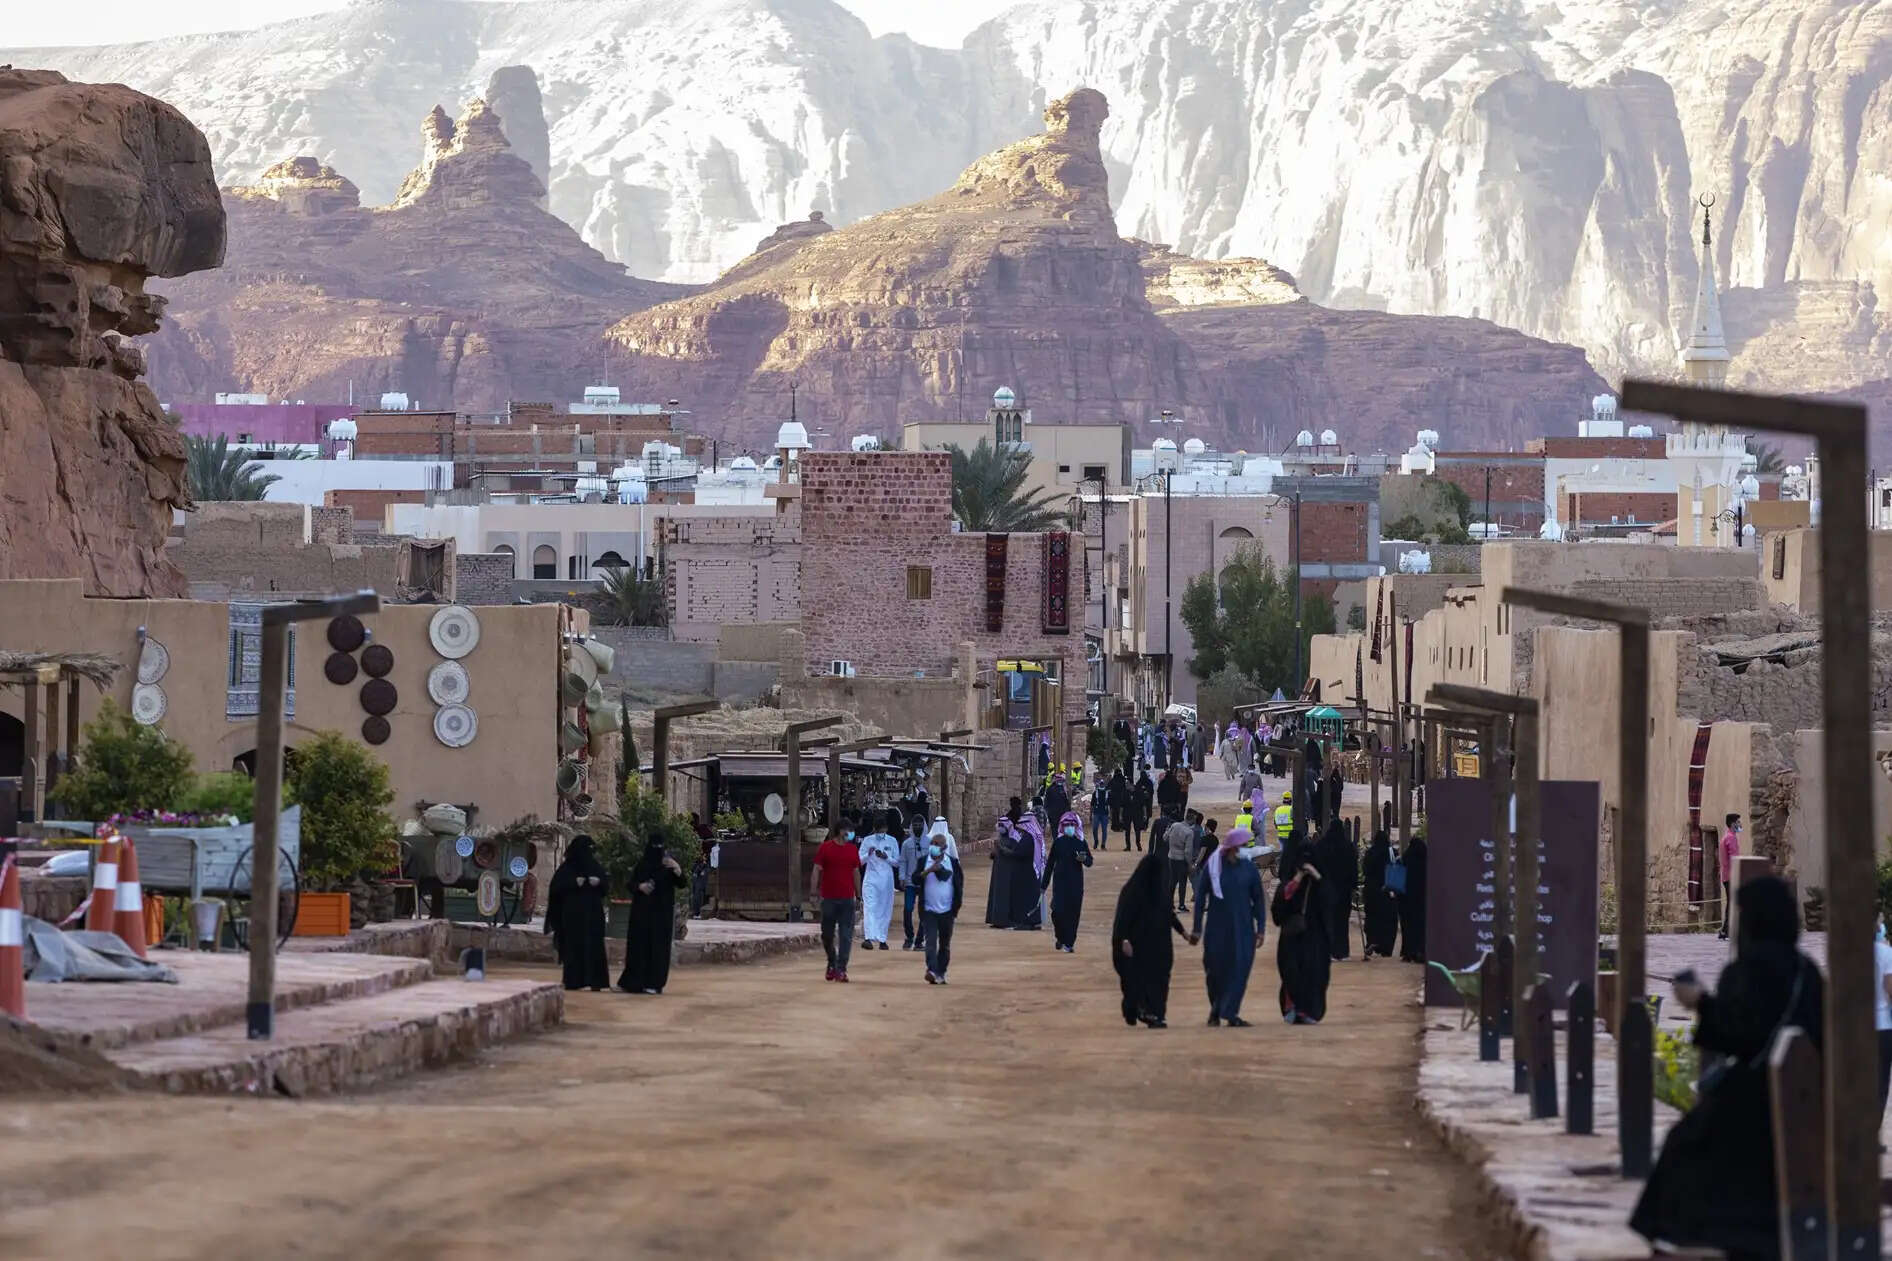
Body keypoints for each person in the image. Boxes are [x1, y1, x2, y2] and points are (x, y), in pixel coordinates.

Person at [1630, 876, 1824, 1257]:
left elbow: (1732, 1032)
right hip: (1802, 1100)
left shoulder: (1746, 970)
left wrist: (1700, 1002)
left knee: (1684, 1146)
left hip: (1748, 1099)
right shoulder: (1808, 972)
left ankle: (1676, 1237)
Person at [1111, 849, 1194, 1028]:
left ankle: (1157, 1013)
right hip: (1140, 945)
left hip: (1161, 945)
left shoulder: (1160, 892)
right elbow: (1123, 918)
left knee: (1161, 979)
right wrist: (1124, 940)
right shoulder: (1132, 892)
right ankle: (1146, 1011)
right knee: (1142, 980)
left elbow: (1169, 914)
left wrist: (1183, 933)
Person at [1195, 824, 1265, 1026]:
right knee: (1215, 971)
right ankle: (1216, 1008)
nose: (1242, 850)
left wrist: (1260, 929)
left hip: (1243, 929)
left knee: (1239, 970)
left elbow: (1259, 900)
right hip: (1217, 929)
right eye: (1240, 846)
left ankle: (1230, 1012)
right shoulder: (1213, 867)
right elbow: (1200, 898)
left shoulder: (1249, 869)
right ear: (1232, 848)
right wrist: (1197, 927)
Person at [1273, 840, 1331, 1023]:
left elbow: (1330, 902)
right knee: (1291, 973)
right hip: (1291, 937)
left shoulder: (1318, 884)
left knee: (1314, 973)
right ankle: (1292, 1008)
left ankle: (1308, 1011)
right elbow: (1279, 909)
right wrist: (1297, 879)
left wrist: (1316, 875)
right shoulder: (1288, 884)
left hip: (1314, 937)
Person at [617, 839, 684, 995]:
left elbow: (681, 883)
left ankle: (654, 984)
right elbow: (631, 884)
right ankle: (634, 983)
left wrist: (677, 869)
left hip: (661, 917)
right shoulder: (642, 865)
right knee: (638, 949)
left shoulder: (669, 867)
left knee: (658, 950)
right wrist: (640, 886)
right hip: (641, 916)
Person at [543, 834, 609, 991]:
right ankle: (574, 981)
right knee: (574, 947)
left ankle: (595, 981)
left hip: (593, 916)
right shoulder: (567, 869)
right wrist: (573, 883)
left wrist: (599, 882)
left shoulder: (595, 867)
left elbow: (606, 887)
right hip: (572, 917)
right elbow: (555, 889)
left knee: (594, 947)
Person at [810, 825, 863, 982]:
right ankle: (832, 961)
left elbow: (856, 873)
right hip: (829, 899)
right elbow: (816, 870)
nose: (851, 834)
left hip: (847, 899)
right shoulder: (825, 848)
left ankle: (841, 968)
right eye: (848, 830)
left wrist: (859, 896)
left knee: (846, 936)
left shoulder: (852, 850)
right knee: (827, 934)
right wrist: (813, 892)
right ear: (841, 831)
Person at [1041, 810, 1094, 952]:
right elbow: (1050, 864)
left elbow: (1090, 862)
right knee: (1057, 913)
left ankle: (1069, 943)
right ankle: (1060, 937)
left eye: (1072, 824)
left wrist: (1084, 860)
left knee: (1073, 915)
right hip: (1060, 884)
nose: (1070, 827)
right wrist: (1043, 885)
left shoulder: (1081, 842)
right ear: (1062, 827)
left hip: (1076, 884)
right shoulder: (1058, 843)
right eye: (1067, 825)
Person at [919, 826, 965, 984]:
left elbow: (959, 885)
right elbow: (915, 878)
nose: (934, 846)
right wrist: (929, 870)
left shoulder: (952, 863)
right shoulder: (923, 861)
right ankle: (931, 969)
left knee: (944, 944)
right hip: (929, 910)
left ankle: (941, 972)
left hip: (947, 911)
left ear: (944, 847)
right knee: (930, 942)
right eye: (932, 843)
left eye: (937, 844)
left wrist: (956, 907)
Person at [1313, 818, 1358, 961]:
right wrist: (1354, 885)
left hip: (1325, 890)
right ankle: (1342, 951)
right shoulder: (1348, 846)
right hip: (1343, 890)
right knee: (1342, 921)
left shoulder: (1321, 845)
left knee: (1327, 920)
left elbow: (1316, 866)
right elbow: (1353, 869)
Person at [857, 816, 900, 951]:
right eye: (878, 830)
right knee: (870, 907)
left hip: (886, 880)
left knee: (885, 908)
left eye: (882, 830)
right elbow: (859, 861)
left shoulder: (892, 841)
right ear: (874, 830)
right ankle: (868, 938)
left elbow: (897, 862)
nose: (880, 833)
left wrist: (886, 858)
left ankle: (882, 939)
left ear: (886, 829)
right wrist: (868, 855)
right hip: (871, 879)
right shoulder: (868, 841)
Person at [1361, 828, 1399, 959]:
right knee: (1388, 919)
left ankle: (1372, 941)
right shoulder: (1392, 853)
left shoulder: (1370, 853)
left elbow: (1365, 870)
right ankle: (1386, 947)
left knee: (1372, 917)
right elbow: (1398, 869)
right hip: (1387, 890)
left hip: (1372, 891)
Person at [1009, 813, 1047, 929]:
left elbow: (1021, 853)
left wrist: (1010, 852)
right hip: (1030, 874)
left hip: (1027, 874)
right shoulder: (1033, 836)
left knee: (1026, 899)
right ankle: (1033, 921)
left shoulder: (1029, 838)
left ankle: (1027, 922)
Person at [1396, 830, 1428, 963]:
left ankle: (1408, 952)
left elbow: (1399, 879)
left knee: (1408, 927)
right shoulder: (1427, 861)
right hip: (1422, 901)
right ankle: (1420, 951)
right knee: (1421, 927)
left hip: (1407, 901)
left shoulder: (1406, 859)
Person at [986, 817, 1024, 927]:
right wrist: (993, 851)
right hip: (998, 871)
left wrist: (1000, 848)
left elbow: (1013, 854)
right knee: (997, 896)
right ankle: (996, 920)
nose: (1001, 828)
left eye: (1003, 826)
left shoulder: (1014, 838)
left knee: (1006, 896)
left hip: (1008, 872)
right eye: (1000, 825)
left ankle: (1005, 921)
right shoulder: (999, 838)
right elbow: (994, 855)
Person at [898, 815, 928, 950]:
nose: (917, 828)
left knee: (924, 913)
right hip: (910, 882)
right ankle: (909, 937)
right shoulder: (906, 844)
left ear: (924, 826)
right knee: (908, 909)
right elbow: (902, 861)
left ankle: (919, 940)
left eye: (920, 825)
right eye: (915, 825)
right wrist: (901, 877)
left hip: (924, 883)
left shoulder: (929, 842)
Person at [1164, 809, 1196, 913]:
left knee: (1172, 881)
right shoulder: (1189, 832)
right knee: (1182, 882)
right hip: (1181, 860)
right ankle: (1181, 905)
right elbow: (1187, 851)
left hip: (1171, 857)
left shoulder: (1174, 825)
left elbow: (1165, 837)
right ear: (1192, 820)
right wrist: (1190, 864)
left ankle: (1169, 903)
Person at [1717, 814, 1742, 940]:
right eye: (1738, 822)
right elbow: (1735, 859)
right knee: (1732, 903)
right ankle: (1725, 930)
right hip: (1732, 876)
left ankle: (1726, 930)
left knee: (1732, 903)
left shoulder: (1726, 837)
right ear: (1732, 824)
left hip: (1726, 876)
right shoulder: (1731, 838)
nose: (1739, 825)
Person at [1878, 911, 1892, 1130]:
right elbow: (1890, 989)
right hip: (1882, 1026)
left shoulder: (1847, 953)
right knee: (1879, 1083)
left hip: (1853, 1028)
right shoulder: (1886, 953)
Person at [1130, 769, 1154, 852]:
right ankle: (1144, 825)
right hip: (1144, 803)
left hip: (1145, 803)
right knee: (1145, 814)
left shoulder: (1141, 783)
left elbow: (1151, 791)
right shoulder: (1143, 783)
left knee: (1145, 814)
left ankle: (1144, 825)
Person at [1107, 768, 1130, 850]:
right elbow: (1127, 788)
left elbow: (1108, 788)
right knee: (1121, 814)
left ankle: (1115, 827)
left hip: (1114, 800)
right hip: (1121, 800)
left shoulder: (1113, 780)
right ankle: (1121, 826)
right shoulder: (1123, 779)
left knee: (1115, 814)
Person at [1090, 773, 1111, 851]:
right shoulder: (1095, 793)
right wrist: (1090, 814)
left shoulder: (1107, 793)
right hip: (1096, 813)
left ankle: (1103, 844)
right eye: (1101, 784)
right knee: (1095, 828)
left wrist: (1110, 815)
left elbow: (1109, 805)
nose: (1102, 785)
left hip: (1104, 814)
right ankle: (1096, 841)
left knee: (1104, 830)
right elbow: (1092, 804)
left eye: (1103, 784)